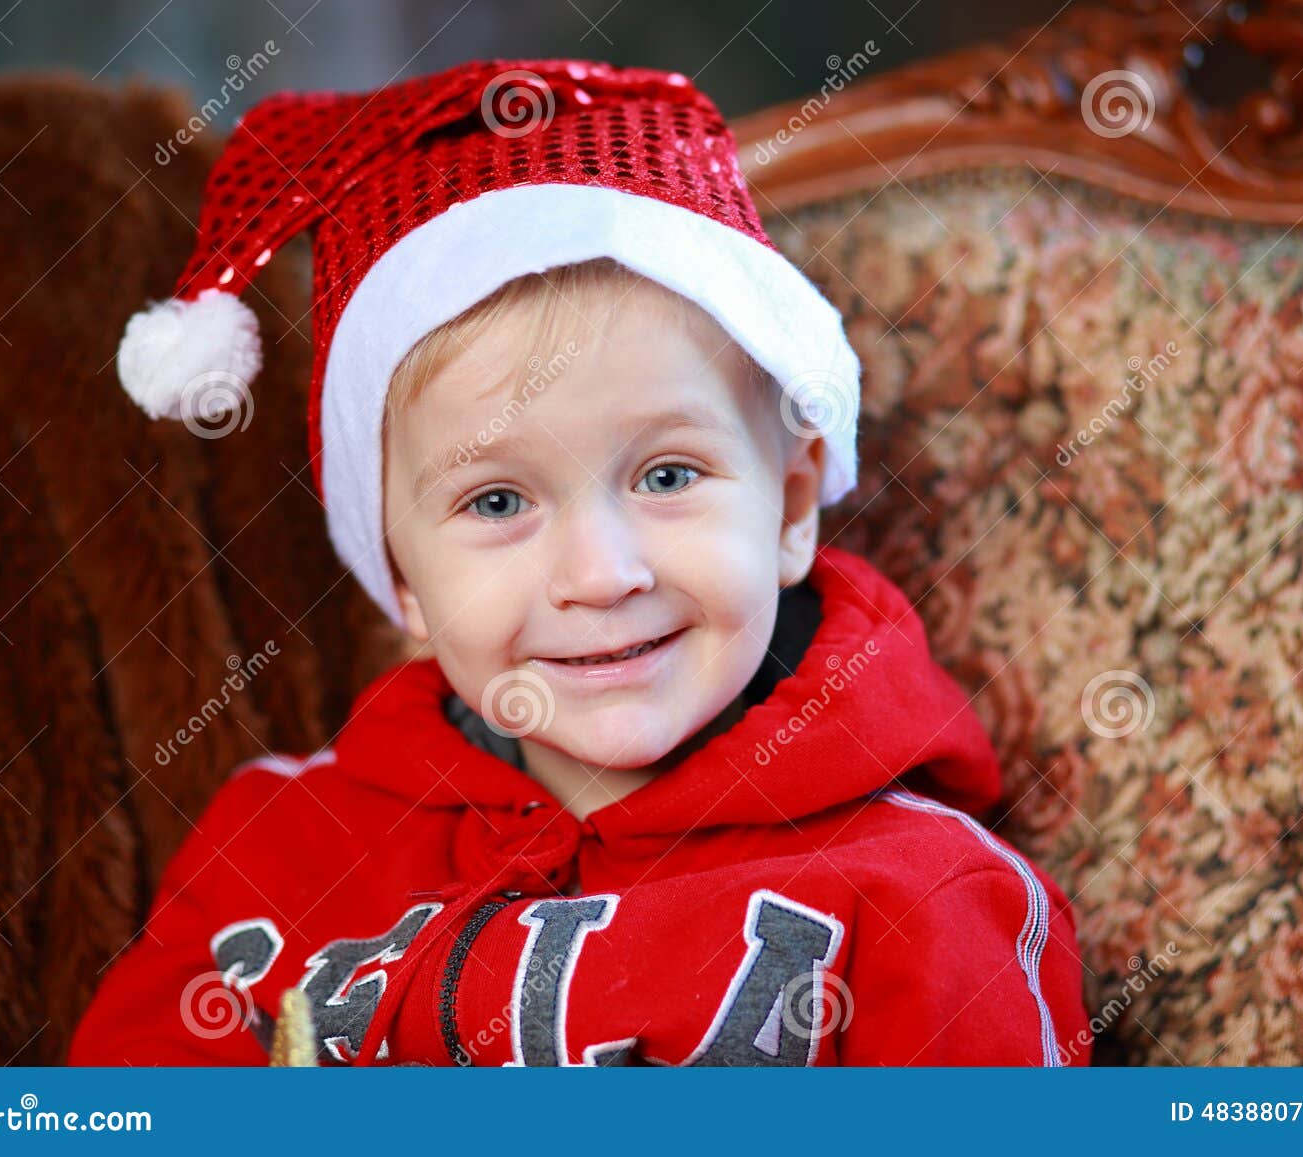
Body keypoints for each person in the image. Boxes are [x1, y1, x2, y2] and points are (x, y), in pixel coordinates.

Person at [69, 57, 1090, 1067]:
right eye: (498, 500)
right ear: (404, 576)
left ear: (787, 504)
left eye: (666, 475)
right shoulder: (275, 852)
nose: (601, 575)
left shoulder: (924, 893)